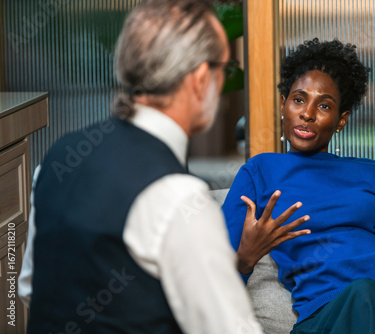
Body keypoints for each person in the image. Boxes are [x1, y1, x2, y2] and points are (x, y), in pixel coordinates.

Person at [18, 1, 263, 333]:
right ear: (201, 78)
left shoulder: (56, 157)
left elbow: (31, 289)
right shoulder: (178, 197)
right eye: (224, 70)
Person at [222, 38, 375, 334]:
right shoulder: (260, 171)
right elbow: (213, 280)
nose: (308, 113)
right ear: (283, 105)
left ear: (341, 121)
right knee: (366, 294)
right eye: (299, 99)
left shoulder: (374, 173)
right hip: (328, 317)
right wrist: (245, 259)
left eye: (324, 105)